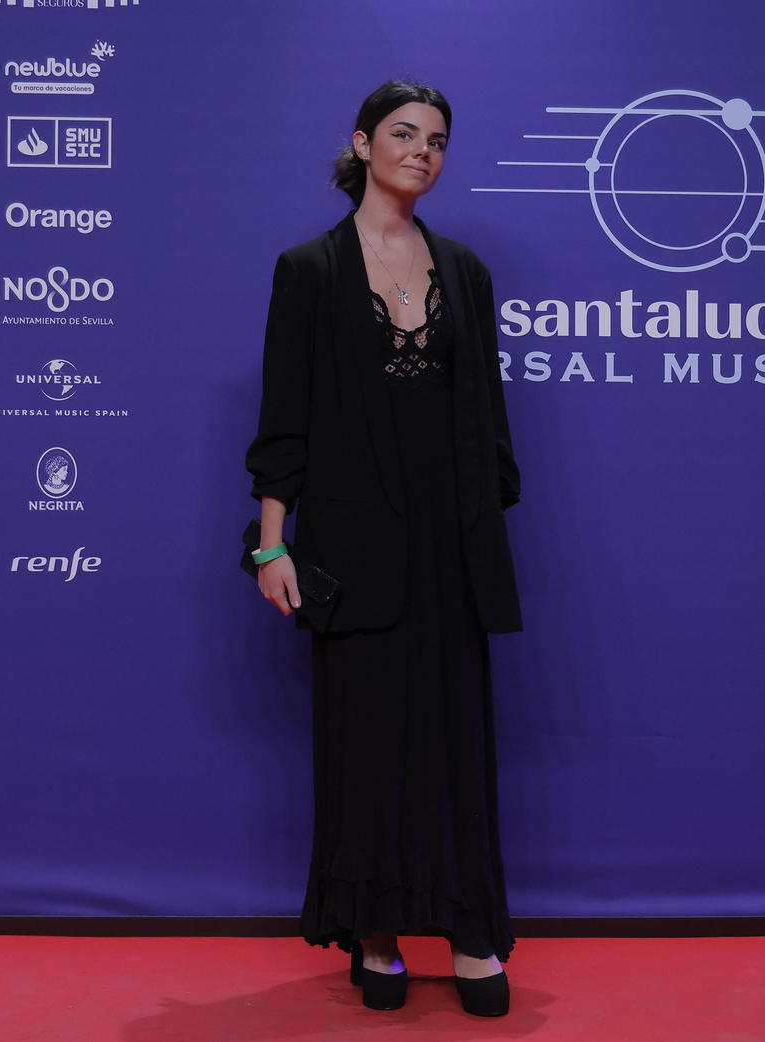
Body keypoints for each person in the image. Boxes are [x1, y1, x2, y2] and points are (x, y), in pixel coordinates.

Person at [244, 80, 524, 1018]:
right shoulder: (309, 271)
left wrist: (481, 523)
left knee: (454, 748)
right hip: (354, 552)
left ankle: (474, 933)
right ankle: (374, 936)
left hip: (450, 552)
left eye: (439, 140)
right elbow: (285, 426)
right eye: (404, 134)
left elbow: (487, 421)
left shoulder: (468, 272)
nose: (424, 152)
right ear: (362, 144)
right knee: (365, 751)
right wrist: (270, 550)